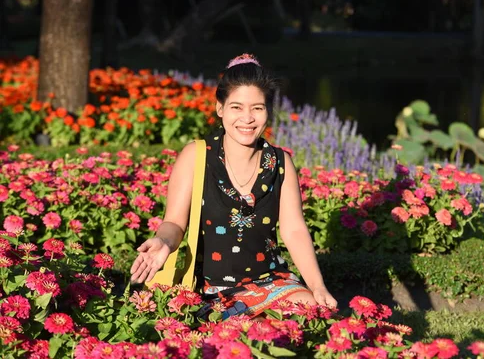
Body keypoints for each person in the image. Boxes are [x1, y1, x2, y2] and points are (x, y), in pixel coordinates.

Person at [130, 53, 337, 317]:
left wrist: (317, 286)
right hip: (209, 289)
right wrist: (163, 242)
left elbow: (294, 229)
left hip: (271, 282)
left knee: (311, 313)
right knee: (254, 332)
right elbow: (175, 222)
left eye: (257, 108)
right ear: (221, 108)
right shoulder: (196, 156)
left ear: (268, 111)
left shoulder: (281, 162)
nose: (247, 118)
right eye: (237, 107)